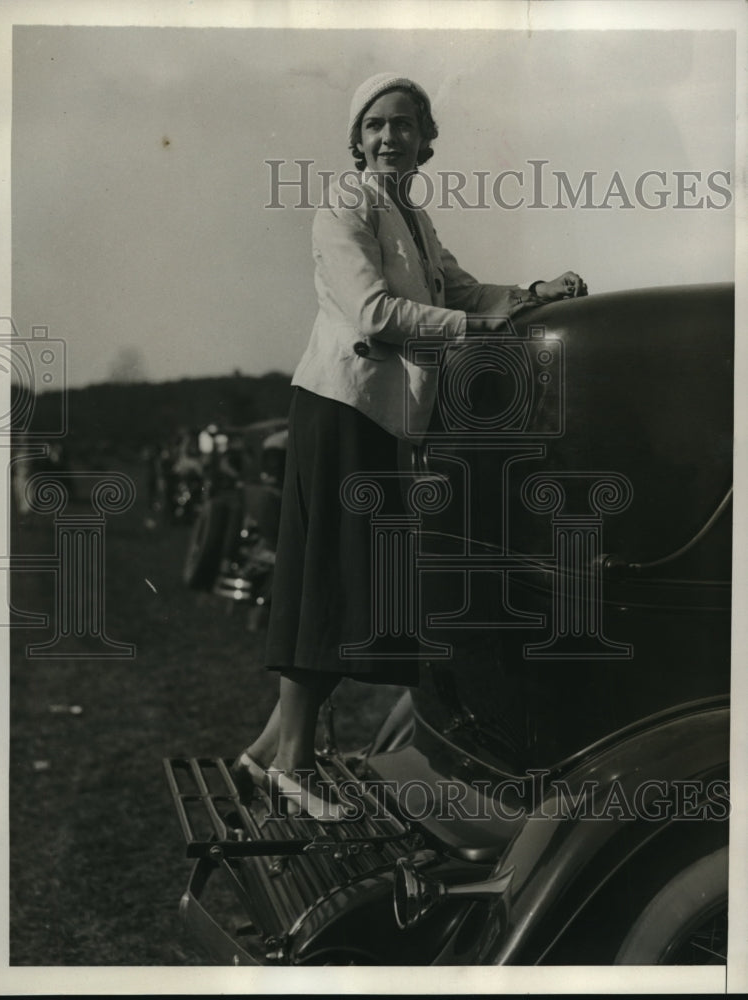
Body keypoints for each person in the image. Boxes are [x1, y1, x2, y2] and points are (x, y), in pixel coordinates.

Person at [232, 73, 586, 820]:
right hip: (339, 405)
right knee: (332, 575)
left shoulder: (411, 218)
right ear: (356, 142)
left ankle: (266, 752)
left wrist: (529, 296)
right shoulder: (344, 207)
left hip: (378, 415)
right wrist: (475, 330)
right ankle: (292, 765)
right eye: (374, 127)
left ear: (426, 142)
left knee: (342, 574)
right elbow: (373, 310)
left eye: (402, 126)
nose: (389, 138)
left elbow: (457, 290)